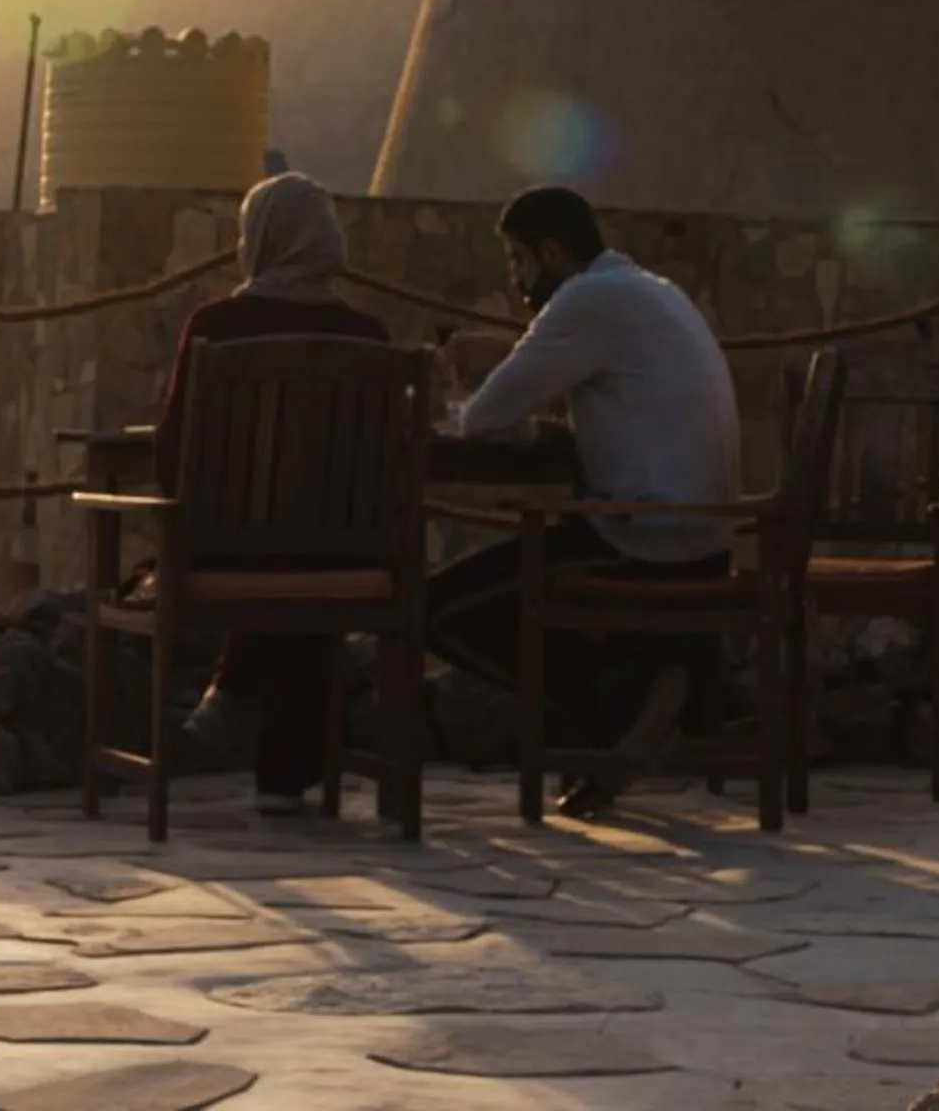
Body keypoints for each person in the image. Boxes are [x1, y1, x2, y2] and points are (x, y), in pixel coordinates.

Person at [427, 184, 742, 817]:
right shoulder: (647, 290)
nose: (516, 279)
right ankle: (642, 689)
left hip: (644, 536)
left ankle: (618, 704)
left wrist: (444, 401)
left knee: (435, 611)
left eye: (519, 261)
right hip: (705, 539)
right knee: (523, 586)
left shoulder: (585, 299)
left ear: (550, 251)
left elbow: (484, 417)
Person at [147, 172, 388, 813]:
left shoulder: (219, 325)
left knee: (274, 560)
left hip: (227, 556)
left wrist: (185, 525)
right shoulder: (370, 338)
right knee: (302, 565)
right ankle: (283, 773)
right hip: (344, 558)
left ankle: (232, 699)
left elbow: (173, 450)